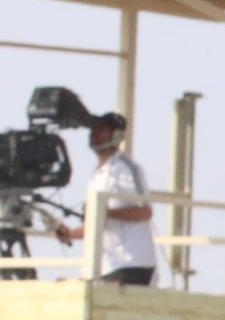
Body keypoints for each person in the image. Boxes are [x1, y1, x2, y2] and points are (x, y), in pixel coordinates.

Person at [53, 111, 155, 285]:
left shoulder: (126, 168)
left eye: (101, 130)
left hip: (132, 262)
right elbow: (96, 223)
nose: (94, 134)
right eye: (93, 130)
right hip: (106, 265)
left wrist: (106, 212)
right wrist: (70, 234)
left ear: (116, 135)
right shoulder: (96, 174)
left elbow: (145, 212)